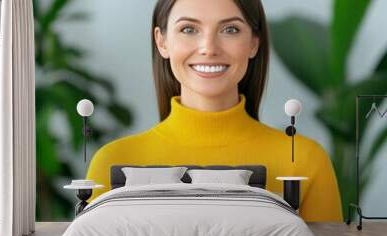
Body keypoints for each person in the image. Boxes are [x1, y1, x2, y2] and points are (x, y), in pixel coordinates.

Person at [86, 0, 343, 222]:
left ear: (254, 43)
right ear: (161, 41)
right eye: (189, 29)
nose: (209, 47)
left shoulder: (306, 160)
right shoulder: (111, 160)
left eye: (230, 29)